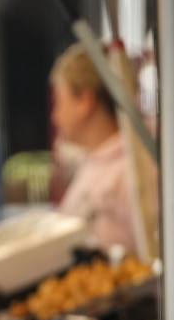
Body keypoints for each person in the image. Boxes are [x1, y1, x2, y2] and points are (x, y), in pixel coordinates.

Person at [51, 43, 155, 259]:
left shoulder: (137, 168)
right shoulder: (96, 161)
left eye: (59, 102)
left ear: (86, 101)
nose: (54, 116)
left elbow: (156, 256)